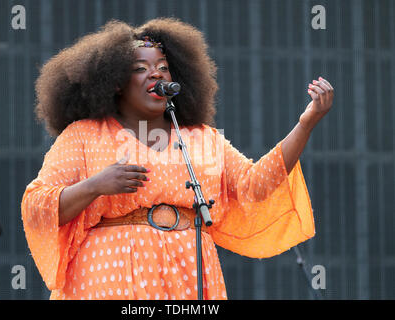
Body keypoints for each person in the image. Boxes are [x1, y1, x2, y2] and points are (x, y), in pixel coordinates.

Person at [21, 18, 334, 300]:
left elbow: (256, 186)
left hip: (188, 270)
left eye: (162, 66)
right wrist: (96, 185)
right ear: (115, 82)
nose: (155, 73)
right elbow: (37, 206)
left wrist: (305, 125)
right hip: (108, 276)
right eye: (140, 68)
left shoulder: (201, 137)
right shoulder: (86, 135)